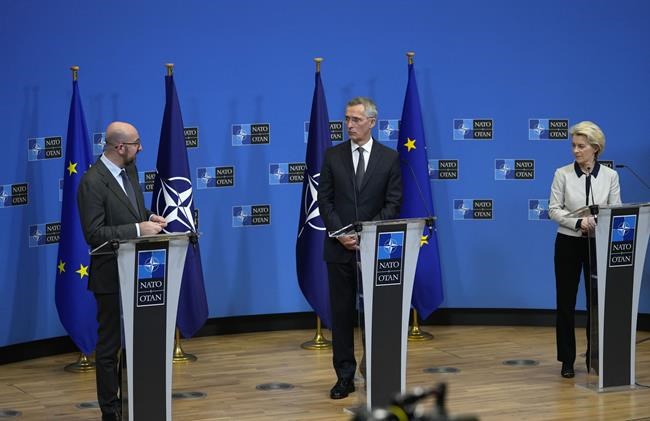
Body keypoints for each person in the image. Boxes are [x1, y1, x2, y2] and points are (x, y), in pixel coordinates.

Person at [77, 121, 167, 420]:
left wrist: (147, 217)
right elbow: (94, 233)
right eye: (136, 143)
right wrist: (138, 228)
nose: (140, 148)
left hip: (137, 274)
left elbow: (131, 211)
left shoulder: (129, 171)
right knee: (109, 347)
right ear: (120, 147)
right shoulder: (92, 182)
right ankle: (110, 411)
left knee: (137, 341)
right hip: (110, 276)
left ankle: (136, 402)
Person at [318, 97, 403, 399]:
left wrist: (367, 234)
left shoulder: (389, 158)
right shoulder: (332, 156)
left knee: (375, 316)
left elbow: (393, 203)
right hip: (339, 249)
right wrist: (342, 233)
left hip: (374, 250)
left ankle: (374, 370)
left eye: (355, 119)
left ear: (372, 122)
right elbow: (324, 201)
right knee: (341, 316)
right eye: (347, 119)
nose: (349, 125)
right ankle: (344, 377)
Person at [548, 121, 621, 379]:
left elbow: (616, 210)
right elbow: (553, 210)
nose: (576, 151)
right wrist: (579, 222)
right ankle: (567, 360)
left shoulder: (611, 176)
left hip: (596, 243)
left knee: (595, 303)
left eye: (581, 146)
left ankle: (595, 357)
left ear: (595, 148)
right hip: (568, 242)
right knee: (565, 302)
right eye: (573, 146)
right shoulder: (563, 174)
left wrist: (598, 223)